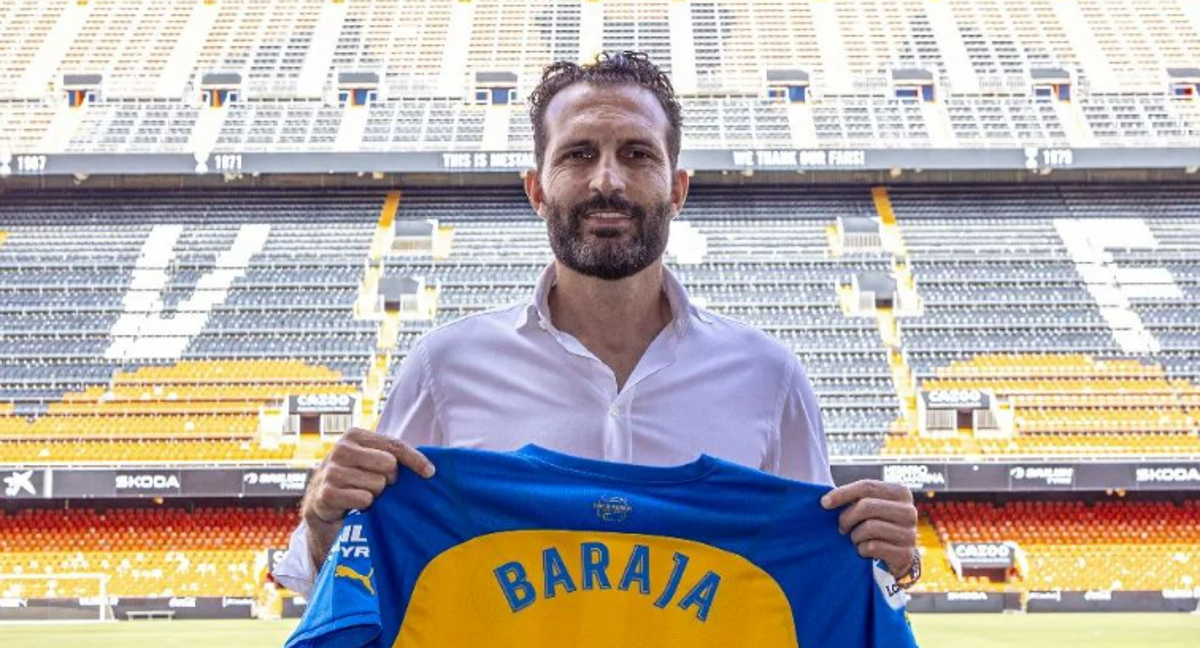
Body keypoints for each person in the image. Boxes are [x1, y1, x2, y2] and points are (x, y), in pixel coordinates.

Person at [273, 51, 920, 598]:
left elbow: (807, 587)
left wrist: (888, 564)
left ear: (678, 188)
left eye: (637, 154)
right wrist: (325, 517)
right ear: (536, 189)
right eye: (578, 154)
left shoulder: (768, 379)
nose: (607, 180)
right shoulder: (445, 371)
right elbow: (355, 583)